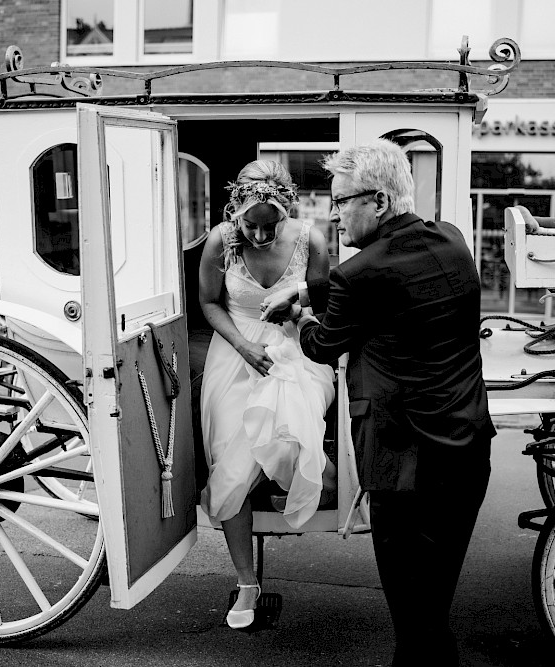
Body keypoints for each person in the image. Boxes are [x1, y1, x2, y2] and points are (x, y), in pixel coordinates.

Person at [265, 139, 495, 666]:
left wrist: (300, 316)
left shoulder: (358, 273)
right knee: (433, 602)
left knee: (412, 612)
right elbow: (392, 294)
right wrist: (308, 290)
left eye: (343, 200)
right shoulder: (453, 241)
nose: (334, 212)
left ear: (380, 202)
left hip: (402, 467)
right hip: (465, 451)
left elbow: (323, 346)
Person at [198, 160, 337, 630]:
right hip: (234, 352)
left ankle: (323, 476)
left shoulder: (312, 239)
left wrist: (297, 309)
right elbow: (209, 302)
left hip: (296, 347)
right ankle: (246, 582)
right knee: (232, 462)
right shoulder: (220, 239)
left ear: (286, 211)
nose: (259, 236)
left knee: (291, 422)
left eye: (270, 225)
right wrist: (243, 345)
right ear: (236, 214)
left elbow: (327, 298)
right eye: (250, 226)